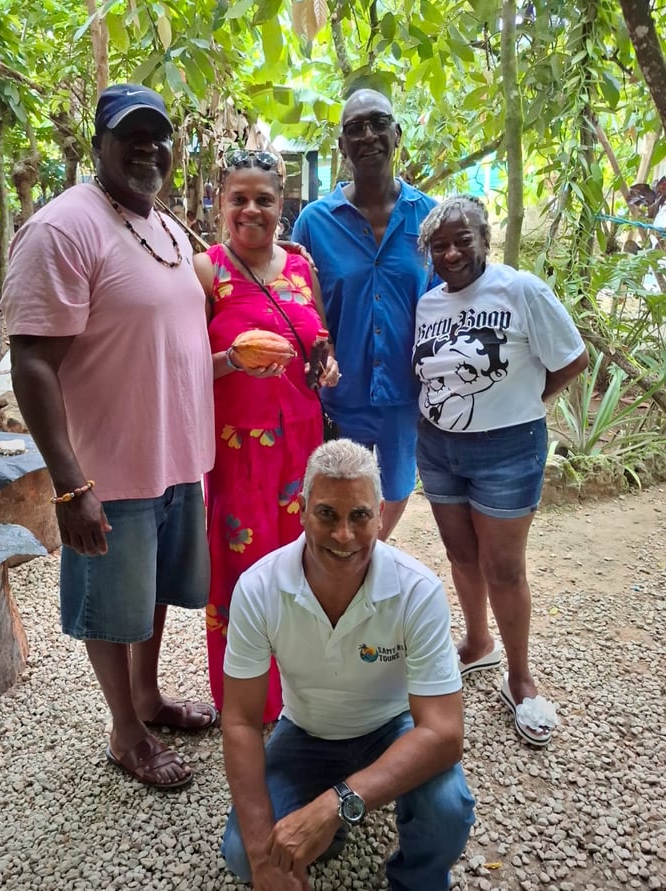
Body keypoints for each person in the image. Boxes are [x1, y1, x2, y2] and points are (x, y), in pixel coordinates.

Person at [0, 84, 217, 789]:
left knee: (149, 593)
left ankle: (148, 697)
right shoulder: (65, 228)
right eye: (131, 134)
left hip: (174, 457)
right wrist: (69, 483)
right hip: (108, 470)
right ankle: (125, 732)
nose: (147, 147)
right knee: (113, 604)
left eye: (158, 134)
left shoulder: (165, 227)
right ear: (97, 144)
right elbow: (32, 358)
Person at [221, 439, 475, 890]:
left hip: (393, 727)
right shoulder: (258, 588)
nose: (344, 535)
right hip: (306, 731)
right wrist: (264, 858)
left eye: (359, 516)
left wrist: (337, 802)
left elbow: (443, 733)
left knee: (446, 809)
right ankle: (328, 826)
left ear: (380, 513)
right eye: (327, 514)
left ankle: (415, 877)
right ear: (301, 510)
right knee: (244, 855)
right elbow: (240, 720)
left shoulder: (418, 591)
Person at [413, 194, 589, 747]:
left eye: (462, 240)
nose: (451, 252)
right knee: (461, 555)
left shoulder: (521, 289)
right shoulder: (429, 303)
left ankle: (520, 677)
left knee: (504, 567)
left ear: (483, 238)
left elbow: (572, 359)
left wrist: (522, 403)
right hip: (438, 446)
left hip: (508, 451)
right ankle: (477, 643)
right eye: (439, 245)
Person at [193, 148, 340, 722]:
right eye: (239, 199)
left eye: (264, 200)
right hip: (238, 450)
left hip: (301, 445)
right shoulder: (207, 271)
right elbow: (184, 368)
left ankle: (307, 695)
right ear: (221, 203)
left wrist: (326, 365)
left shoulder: (302, 267)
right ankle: (248, 705)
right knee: (243, 576)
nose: (251, 210)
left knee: (306, 566)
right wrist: (234, 358)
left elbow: (319, 342)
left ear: (283, 205)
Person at [292, 88, 437, 540]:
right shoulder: (314, 223)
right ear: (342, 145)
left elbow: (443, 305)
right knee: (336, 495)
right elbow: (300, 304)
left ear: (397, 134)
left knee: (395, 489)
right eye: (355, 128)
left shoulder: (429, 217)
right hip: (339, 399)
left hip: (404, 396)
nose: (368, 135)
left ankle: (370, 556)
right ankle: (341, 573)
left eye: (378, 123)